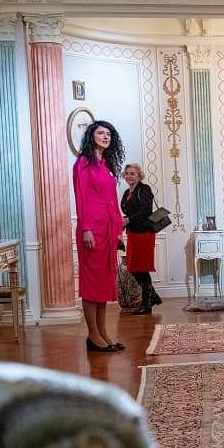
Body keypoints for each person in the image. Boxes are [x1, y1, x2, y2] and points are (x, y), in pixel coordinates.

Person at [74, 120, 126, 353]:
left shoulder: (106, 166)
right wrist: (85, 228)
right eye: (101, 133)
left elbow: (113, 201)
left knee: (104, 281)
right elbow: (81, 198)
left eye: (109, 134)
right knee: (92, 282)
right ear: (91, 136)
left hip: (107, 229)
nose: (106, 137)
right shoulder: (83, 164)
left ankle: (103, 332)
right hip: (91, 230)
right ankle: (93, 335)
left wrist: (118, 230)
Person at [120, 163, 162, 315]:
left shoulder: (144, 189)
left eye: (133, 173)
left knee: (141, 267)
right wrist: (125, 221)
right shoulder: (127, 192)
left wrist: (128, 220)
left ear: (139, 176)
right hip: (133, 233)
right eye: (127, 173)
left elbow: (145, 211)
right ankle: (152, 296)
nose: (129, 176)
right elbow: (129, 210)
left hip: (144, 233)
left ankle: (147, 304)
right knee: (133, 266)